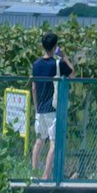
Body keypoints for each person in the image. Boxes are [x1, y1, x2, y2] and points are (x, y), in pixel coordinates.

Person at [27, 31, 71, 178]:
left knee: (39, 141)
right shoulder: (58, 64)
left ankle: (34, 174)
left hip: (40, 109)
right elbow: (73, 74)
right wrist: (64, 56)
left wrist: (36, 106)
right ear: (55, 46)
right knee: (53, 143)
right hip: (53, 109)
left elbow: (34, 87)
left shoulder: (36, 64)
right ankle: (46, 175)